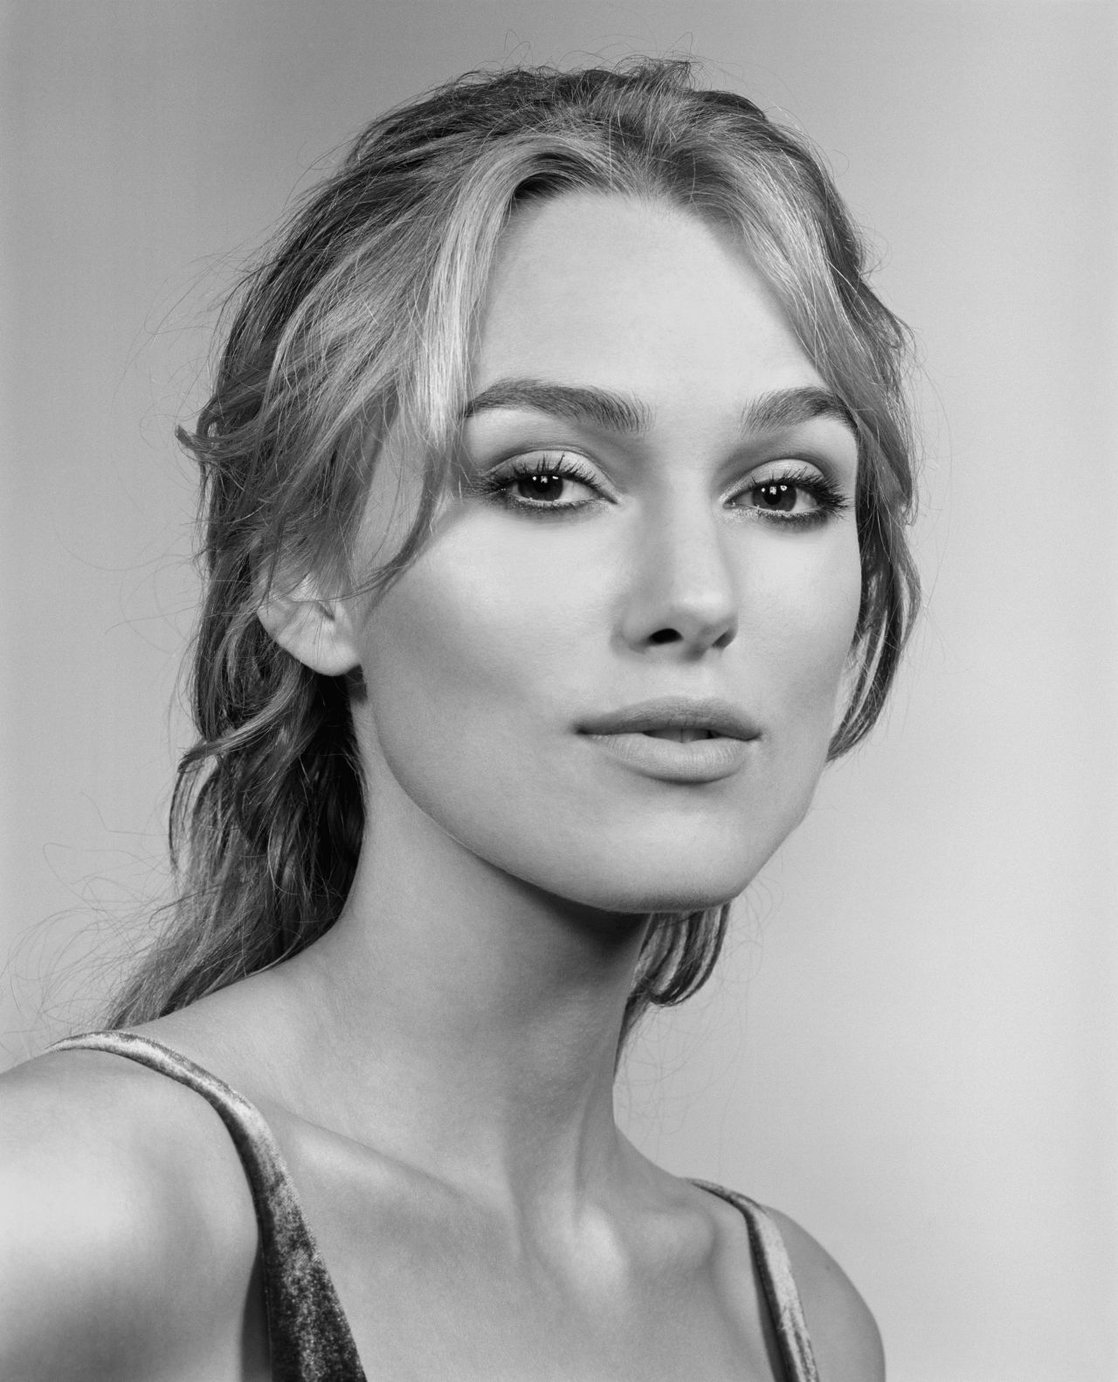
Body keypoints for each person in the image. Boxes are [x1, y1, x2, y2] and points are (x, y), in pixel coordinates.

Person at [0, 59, 918, 1381]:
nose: (697, 597)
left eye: (782, 491)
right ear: (305, 573)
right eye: (546, 480)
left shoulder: (798, 1321)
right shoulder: (75, 1209)